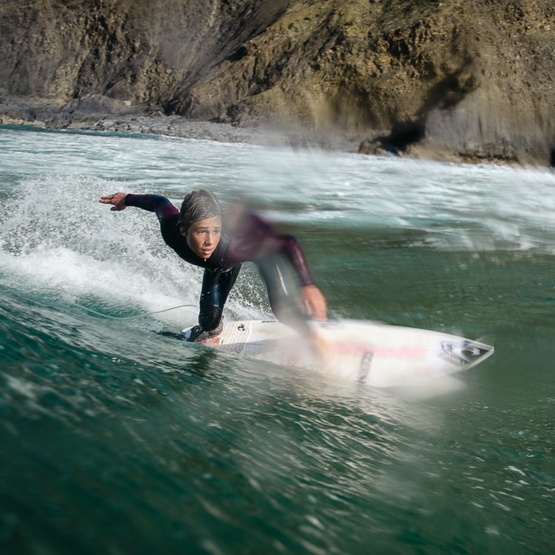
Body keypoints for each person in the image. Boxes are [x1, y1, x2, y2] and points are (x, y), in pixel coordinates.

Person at [99, 190, 327, 341]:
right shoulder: (170, 227)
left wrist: (307, 284)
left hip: (258, 254)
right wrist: (126, 199)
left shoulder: (236, 245)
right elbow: (158, 202)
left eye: (215, 231)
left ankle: (316, 334)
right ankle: (209, 328)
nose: (209, 241)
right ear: (183, 229)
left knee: (283, 311)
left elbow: (287, 242)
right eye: (201, 232)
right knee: (208, 324)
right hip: (216, 266)